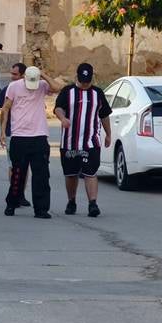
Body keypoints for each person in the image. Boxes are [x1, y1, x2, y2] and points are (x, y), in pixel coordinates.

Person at [0, 66, 61, 218]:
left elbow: (57, 88)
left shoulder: (42, 85)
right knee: (18, 174)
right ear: (24, 77)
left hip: (39, 136)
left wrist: (43, 74)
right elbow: (5, 109)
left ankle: (41, 209)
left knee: (42, 175)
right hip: (19, 136)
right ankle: (12, 203)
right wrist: (2, 131)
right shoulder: (14, 87)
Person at [54, 63, 112, 217]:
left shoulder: (98, 93)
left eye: (87, 81)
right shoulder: (68, 91)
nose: (85, 84)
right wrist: (62, 118)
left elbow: (104, 115)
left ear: (92, 78)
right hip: (69, 142)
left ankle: (93, 204)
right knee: (71, 174)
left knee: (90, 173)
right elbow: (58, 108)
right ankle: (71, 201)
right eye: (82, 80)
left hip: (91, 142)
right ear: (77, 77)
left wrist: (108, 134)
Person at [0, 63, 31, 208]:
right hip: (11, 133)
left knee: (25, 165)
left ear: (24, 76)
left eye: (15, 74)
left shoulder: (33, 89)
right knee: (14, 165)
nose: (12, 77)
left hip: (29, 134)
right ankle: (14, 194)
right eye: (11, 74)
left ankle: (21, 194)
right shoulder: (9, 89)